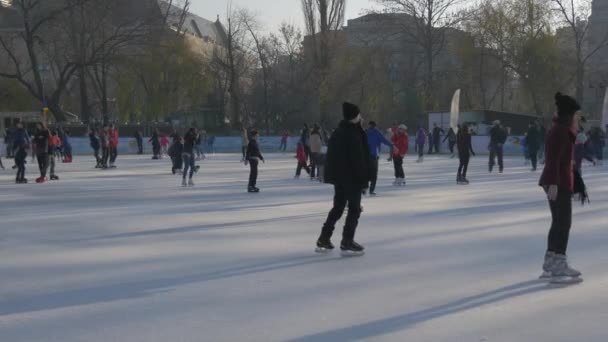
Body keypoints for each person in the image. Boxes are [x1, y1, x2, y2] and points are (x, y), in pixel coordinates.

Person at [538, 92, 586, 281]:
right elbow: (553, 159)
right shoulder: (559, 131)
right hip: (557, 182)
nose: (578, 118)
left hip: (558, 181)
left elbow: (565, 158)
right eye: (576, 115)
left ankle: (550, 262)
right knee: (564, 223)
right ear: (569, 115)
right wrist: (554, 184)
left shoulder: (562, 130)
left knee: (558, 222)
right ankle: (559, 263)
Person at [316, 102, 370, 255]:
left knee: (338, 208)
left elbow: (332, 158)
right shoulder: (353, 134)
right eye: (359, 115)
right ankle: (347, 240)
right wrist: (364, 181)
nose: (361, 117)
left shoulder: (338, 132)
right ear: (354, 117)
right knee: (354, 209)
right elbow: (358, 160)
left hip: (340, 178)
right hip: (352, 178)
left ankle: (324, 238)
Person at [366, 121, 394, 195]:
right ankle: (371, 190)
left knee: (366, 172)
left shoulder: (365, 132)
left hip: (365, 156)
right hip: (374, 156)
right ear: (375, 126)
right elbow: (384, 141)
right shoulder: (376, 132)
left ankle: (364, 188)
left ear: (369, 126)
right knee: (374, 173)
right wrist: (391, 145)